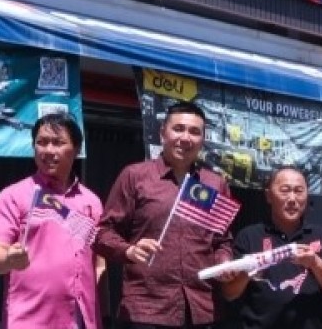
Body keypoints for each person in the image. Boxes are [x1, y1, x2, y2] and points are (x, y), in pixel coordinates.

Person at [95, 102, 233, 329]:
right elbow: (102, 233)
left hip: (202, 310)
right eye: (178, 129)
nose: (186, 138)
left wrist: (224, 263)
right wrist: (130, 250)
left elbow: (222, 241)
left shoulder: (214, 184)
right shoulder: (135, 176)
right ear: (162, 133)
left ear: (203, 140)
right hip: (147, 310)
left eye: (194, 132)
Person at [0, 113, 104, 328]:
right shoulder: (14, 195)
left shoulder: (92, 201)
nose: (49, 150)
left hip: (79, 320)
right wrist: (8, 259)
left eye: (58, 143)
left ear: (76, 149)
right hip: (29, 320)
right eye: (42, 143)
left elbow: (99, 261)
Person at [221, 166, 322, 329]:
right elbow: (229, 293)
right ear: (268, 196)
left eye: (299, 191)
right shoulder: (249, 236)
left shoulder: (319, 236)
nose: (292, 198)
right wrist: (249, 271)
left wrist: (316, 263)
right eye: (285, 190)